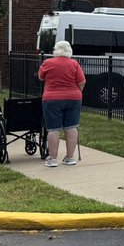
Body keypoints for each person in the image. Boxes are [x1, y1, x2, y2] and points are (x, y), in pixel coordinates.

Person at [38, 39, 85, 167]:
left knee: (53, 128)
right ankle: (70, 157)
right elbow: (81, 82)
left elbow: (41, 77)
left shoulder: (48, 62)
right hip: (73, 98)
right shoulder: (74, 64)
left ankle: (53, 159)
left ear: (56, 50)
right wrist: (77, 92)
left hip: (52, 98)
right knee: (71, 127)